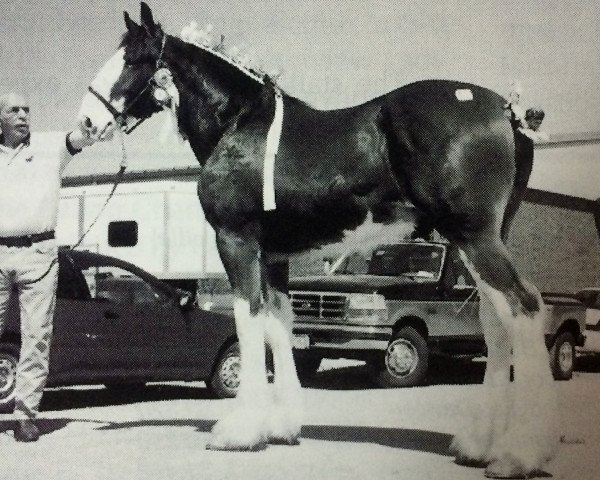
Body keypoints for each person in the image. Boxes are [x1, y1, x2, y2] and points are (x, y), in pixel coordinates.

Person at [0, 92, 104, 441]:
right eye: (13, 110)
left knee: (36, 336)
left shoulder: (48, 146)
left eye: (27, 109)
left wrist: (86, 131)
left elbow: (76, 139)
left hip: (39, 253)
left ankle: (25, 416)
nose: (23, 115)